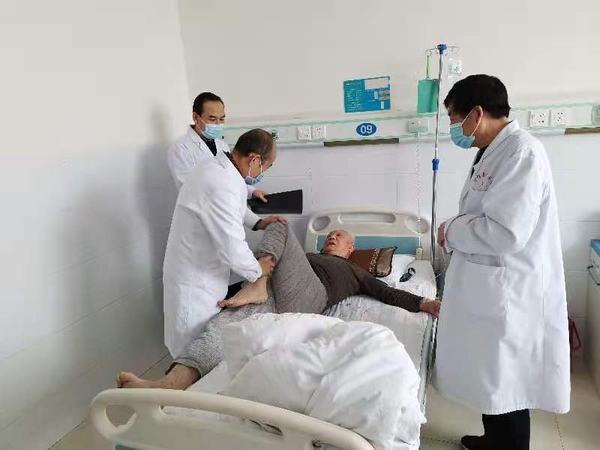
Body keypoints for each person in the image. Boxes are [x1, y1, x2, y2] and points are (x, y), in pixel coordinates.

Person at [118, 223, 441, 390]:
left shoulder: (354, 271)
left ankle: (257, 284)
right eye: (329, 234)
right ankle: (172, 383)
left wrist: (425, 303)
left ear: (351, 247)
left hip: (309, 296)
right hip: (276, 293)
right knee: (225, 325)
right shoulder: (309, 256)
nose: (331, 237)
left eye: (339, 235)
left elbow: (387, 293)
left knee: (281, 226)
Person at [433, 75, 570, 450]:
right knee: (492, 377)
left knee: (507, 382)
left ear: (477, 114)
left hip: (511, 289)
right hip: (491, 286)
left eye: (454, 118)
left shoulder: (523, 153)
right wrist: (456, 229)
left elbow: (507, 232)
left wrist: (451, 230)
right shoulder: (494, 150)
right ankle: (492, 441)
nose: (454, 129)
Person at [163, 129, 286, 358]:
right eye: (266, 167)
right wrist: (258, 270)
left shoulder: (224, 171)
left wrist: (259, 223)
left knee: (205, 348)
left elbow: (234, 207)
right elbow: (233, 248)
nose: (263, 173)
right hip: (194, 284)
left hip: (204, 274)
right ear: (254, 159)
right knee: (192, 352)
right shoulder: (220, 182)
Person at [167, 91, 269, 230]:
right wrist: (256, 222)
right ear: (196, 117)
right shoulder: (180, 149)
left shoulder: (222, 146)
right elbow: (200, 193)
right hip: (199, 224)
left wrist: (252, 192)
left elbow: (230, 182)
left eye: (221, 119)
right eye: (212, 119)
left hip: (221, 218)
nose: (218, 124)